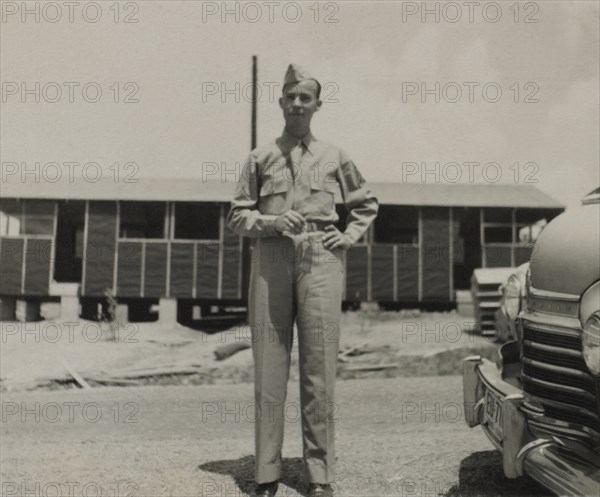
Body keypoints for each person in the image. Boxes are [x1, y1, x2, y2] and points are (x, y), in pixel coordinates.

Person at [227, 63, 378, 497]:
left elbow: (366, 203)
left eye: (305, 97)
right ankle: (267, 474)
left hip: (321, 259)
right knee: (269, 370)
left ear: (317, 105)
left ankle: (320, 475)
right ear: (280, 102)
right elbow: (237, 214)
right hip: (272, 258)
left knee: (319, 371)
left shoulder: (335, 155)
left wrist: (347, 235)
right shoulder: (259, 157)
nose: (296, 103)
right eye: (290, 96)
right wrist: (271, 222)